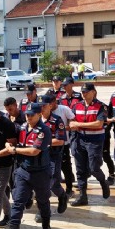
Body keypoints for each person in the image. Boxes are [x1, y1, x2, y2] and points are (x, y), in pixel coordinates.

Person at [0, 103, 53, 229]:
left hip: (40, 172)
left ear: (39, 114)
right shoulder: (22, 128)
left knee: (43, 201)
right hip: (23, 171)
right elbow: (10, 141)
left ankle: (46, 227)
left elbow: (34, 151)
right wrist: (8, 146)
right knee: (18, 202)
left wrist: (14, 150)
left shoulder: (44, 130)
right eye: (27, 114)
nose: (28, 117)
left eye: (31, 115)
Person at [69, 83, 111, 207]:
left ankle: (103, 182)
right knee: (80, 169)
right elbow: (71, 121)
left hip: (95, 140)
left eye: (87, 91)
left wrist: (78, 125)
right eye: (83, 92)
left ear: (94, 92)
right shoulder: (76, 106)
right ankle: (83, 196)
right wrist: (74, 124)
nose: (84, 94)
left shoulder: (101, 106)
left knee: (94, 168)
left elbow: (98, 124)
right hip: (79, 139)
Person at [35, 94, 69, 222]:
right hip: (39, 156)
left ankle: (43, 210)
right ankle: (61, 195)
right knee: (46, 183)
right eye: (39, 106)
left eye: (43, 106)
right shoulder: (36, 119)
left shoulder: (57, 120)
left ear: (50, 106)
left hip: (53, 156)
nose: (41, 109)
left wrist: (44, 142)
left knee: (50, 183)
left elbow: (60, 141)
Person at [58, 77, 82, 197]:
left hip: (77, 127)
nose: (64, 86)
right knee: (71, 153)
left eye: (67, 84)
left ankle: (81, 176)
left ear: (72, 85)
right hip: (66, 130)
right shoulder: (61, 98)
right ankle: (72, 176)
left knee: (76, 152)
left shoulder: (78, 96)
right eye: (63, 85)